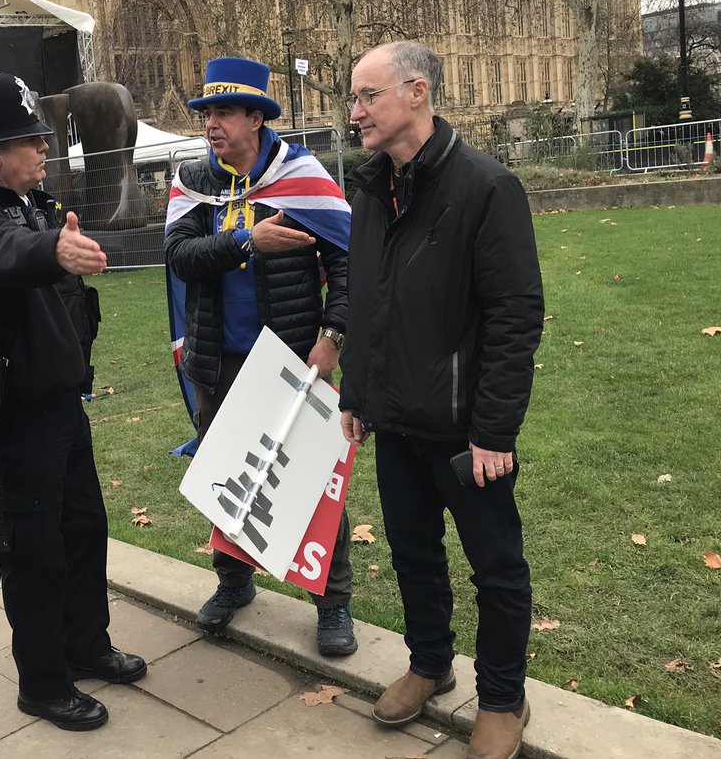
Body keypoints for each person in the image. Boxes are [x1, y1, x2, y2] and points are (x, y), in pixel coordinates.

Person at [338, 40, 543, 759]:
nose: (355, 111)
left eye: (367, 95)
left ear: (417, 93)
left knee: (496, 568)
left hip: (465, 433)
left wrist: (493, 431)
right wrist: (357, 392)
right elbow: (365, 300)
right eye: (355, 97)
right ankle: (430, 663)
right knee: (412, 553)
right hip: (395, 421)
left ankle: (503, 698)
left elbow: (515, 316)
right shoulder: (371, 190)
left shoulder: (486, 187)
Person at [0, 69, 146, 732]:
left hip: (62, 405)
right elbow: (3, 253)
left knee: (83, 531)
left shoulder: (41, 206)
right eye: (29, 139)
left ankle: (86, 643)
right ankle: (43, 680)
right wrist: (52, 248)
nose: (43, 146)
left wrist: (55, 240)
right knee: (35, 551)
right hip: (19, 418)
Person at [164, 56, 358, 656]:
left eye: (224, 112)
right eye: (206, 113)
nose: (211, 124)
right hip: (218, 359)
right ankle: (234, 582)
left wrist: (334, 334)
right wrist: (249, 238)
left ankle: (333, 601)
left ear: (256, 118)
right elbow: (181, 257)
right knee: (227, 478)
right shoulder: (194, 181)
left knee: (310, 480)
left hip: (293, 359)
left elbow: (350, 265)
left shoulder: (301, 177)